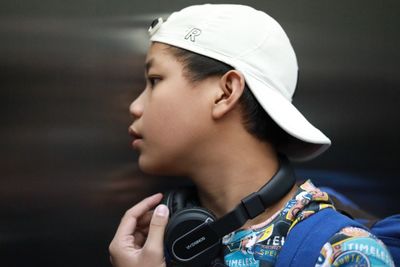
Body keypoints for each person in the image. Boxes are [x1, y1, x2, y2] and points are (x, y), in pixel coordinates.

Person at [109, 4, 395, 267]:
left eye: (155, 80)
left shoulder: (347, 254)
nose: (135, 106)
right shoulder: (168, 245)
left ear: (225, 92)